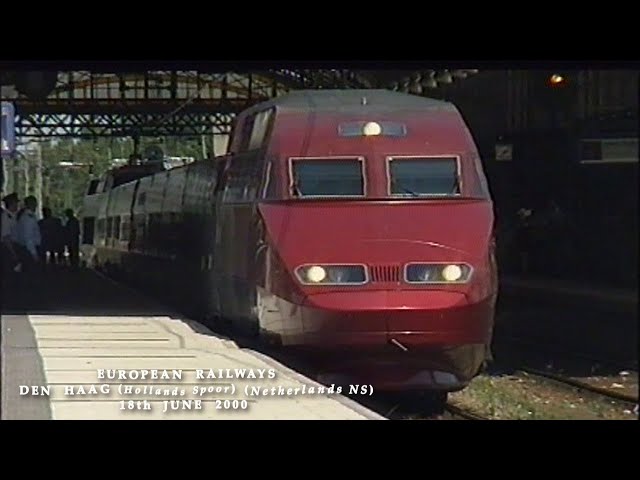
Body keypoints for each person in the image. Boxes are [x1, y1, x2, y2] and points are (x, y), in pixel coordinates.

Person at [14, 195, 41, 273]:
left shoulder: (25, 216)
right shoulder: (29, 218)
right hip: (29, 250)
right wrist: (34, 253)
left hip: (25, 248)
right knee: (30, 273)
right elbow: (28, 237)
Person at [1, 192, 22, 273]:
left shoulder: (13, 216)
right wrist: (13, 253)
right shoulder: (6, 217)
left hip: (14, 246)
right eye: (16, 203)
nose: (17, 205)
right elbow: (6, 237)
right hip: (8, 248)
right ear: (11, 204)